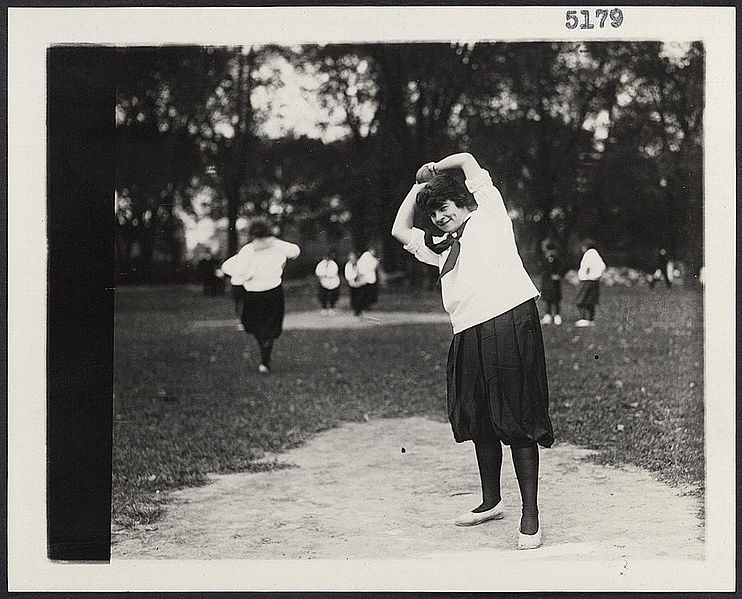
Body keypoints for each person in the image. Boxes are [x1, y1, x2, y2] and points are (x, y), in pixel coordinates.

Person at [391, 153, 554, 550]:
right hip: (467, 331)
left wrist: (432, 170)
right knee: (478, 417)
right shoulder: (442, 248)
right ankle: (490, 500)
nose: (437, 218)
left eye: (442, 208)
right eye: (431, 214)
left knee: (514, 416)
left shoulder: (490, 217)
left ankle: (529, 514)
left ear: (464, 202)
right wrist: (420, 190)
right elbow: (398, 230)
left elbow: (466, 159)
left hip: (509, 322)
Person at [221, 219, 300, 373]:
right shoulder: (255, 249)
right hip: (270, 292)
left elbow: (235, 268)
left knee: (257, 325)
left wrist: (246, 275)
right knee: (264, 326)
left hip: (257, 292)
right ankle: (265, 354)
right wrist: (275, 242)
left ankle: (264, 353)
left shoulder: (253, 249)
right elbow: (295, 251)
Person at [574, 239, 606, 327]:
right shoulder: (596, 254)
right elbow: (602, 266)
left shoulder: (589, 254)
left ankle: (583, 318)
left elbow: (587, 266)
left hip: (587, 280)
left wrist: (586, 274)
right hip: (594, 281)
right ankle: (590, 319)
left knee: (582, 299)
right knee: (591, 300)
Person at [539, 242, 565, 326]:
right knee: (547, 299)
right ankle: (548, 315)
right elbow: (542, 268)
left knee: (556, 299)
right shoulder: (544, 259)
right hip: (547, 282)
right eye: (548, 251)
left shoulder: (558, 259)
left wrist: (558, 275)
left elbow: (562, 267)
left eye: (552, 251)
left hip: (555, 282)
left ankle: (557, 315)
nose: (550, 253)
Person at [315, 249, 341, 315]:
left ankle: (332, 308)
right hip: (324, 282)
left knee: (333, 296)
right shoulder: (321, 264)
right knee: (322, 296)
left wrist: (325, 274)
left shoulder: (333, 264)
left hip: (333, 282)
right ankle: (324, 308)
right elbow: (318, 272)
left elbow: (332, 273)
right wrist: (324, 274)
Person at [344, 251, 366, 317]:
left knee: (360, 298)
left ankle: (359, 311)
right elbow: (347, 275)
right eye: (350, 259)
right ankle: (356, 310)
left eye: (353, 258)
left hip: (361, 284)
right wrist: (354, 276)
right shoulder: (348, 265)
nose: (351, 260)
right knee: (354, 299)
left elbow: (364, 273)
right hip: (353, 284)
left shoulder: (361, 264)